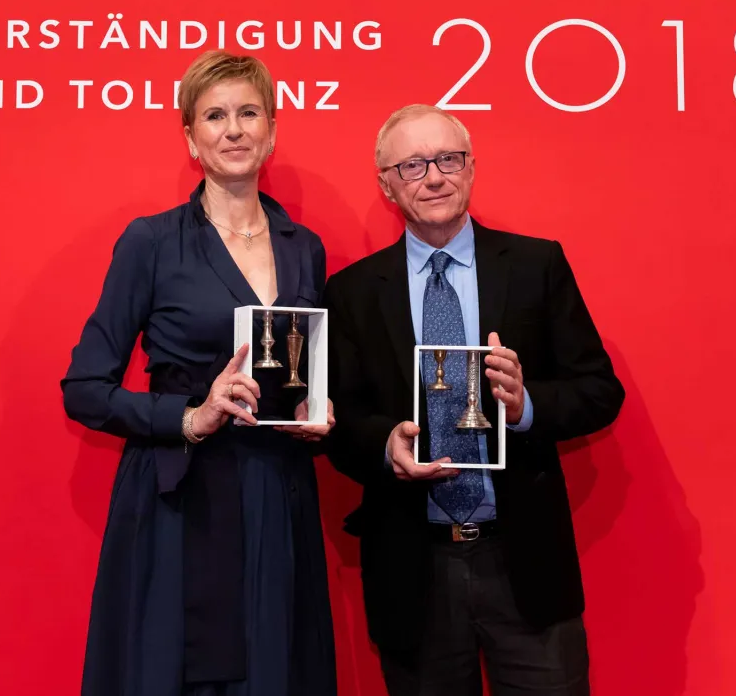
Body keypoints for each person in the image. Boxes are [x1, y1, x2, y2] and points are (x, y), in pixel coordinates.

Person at [323, 104, 625, 696]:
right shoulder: (353, 291)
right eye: (412, 166)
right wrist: (385, 444)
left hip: (525, 562)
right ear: (386, 184)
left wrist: (524, 405)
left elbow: (599, 391)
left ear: (471, 168)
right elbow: (339, 419)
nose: (434, 177)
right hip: (414, 570)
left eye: (448, 159)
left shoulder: (536, 265)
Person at [61, 50, 338, 696]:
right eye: (214, 116)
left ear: (272, 129)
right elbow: (84, 388)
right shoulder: (151, 242)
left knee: (278, 668)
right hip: (183, 498)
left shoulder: (305, 247)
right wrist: (189, 417)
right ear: (190, 137)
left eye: (249, 113)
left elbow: (308, 368)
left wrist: (319, 411)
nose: (233, 129)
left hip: (279, 492)